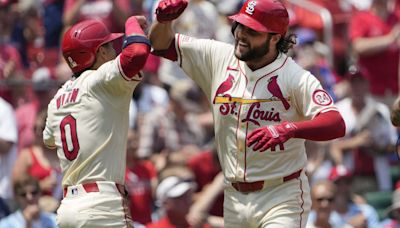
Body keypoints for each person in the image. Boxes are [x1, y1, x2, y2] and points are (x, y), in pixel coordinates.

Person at [149, 0, 346, 226]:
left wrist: (289, 129)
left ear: (274, 38)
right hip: (234, 197)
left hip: (281, 195)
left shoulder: (295, 77)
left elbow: (336, 122)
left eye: (252, 31)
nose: (241, 34)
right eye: (239, 25)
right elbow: (160, 43)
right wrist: (163, 22)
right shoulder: (218, 56)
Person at [42, 15, 151, 227]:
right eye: (110, 46)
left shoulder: (57, 98)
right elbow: (136, 53)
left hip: (68, 208)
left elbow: (49, 141)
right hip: (102, 206)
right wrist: (131, 23)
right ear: (100, 52)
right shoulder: (101, 81)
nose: (114, 51)